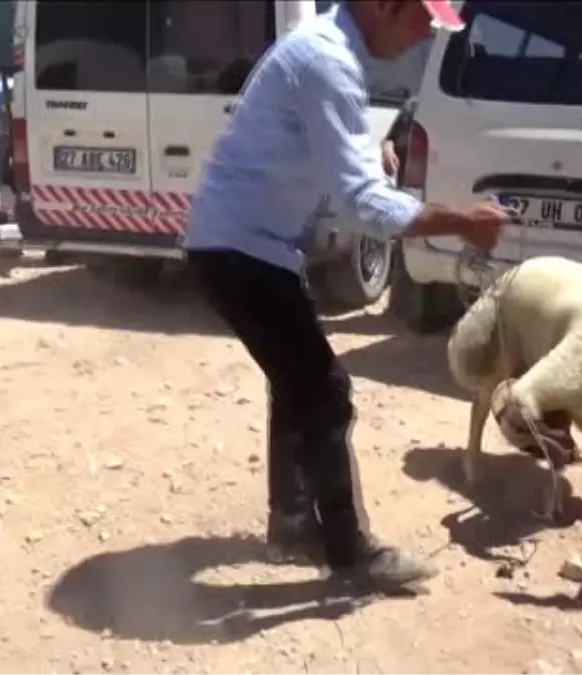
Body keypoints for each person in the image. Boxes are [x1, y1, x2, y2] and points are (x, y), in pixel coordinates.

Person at [182, 0, 508, 589]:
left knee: (297, 382)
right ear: (384, 6)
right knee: (325, 391)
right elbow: (362, 205)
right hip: (241, 249)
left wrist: (371, 167)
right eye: (421, 21)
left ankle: (292, 526)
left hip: (241, 246)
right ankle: (350, 552)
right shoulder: (327, 61)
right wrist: (461, 220)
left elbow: (336, 171)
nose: (424, 38)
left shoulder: (327, 55)